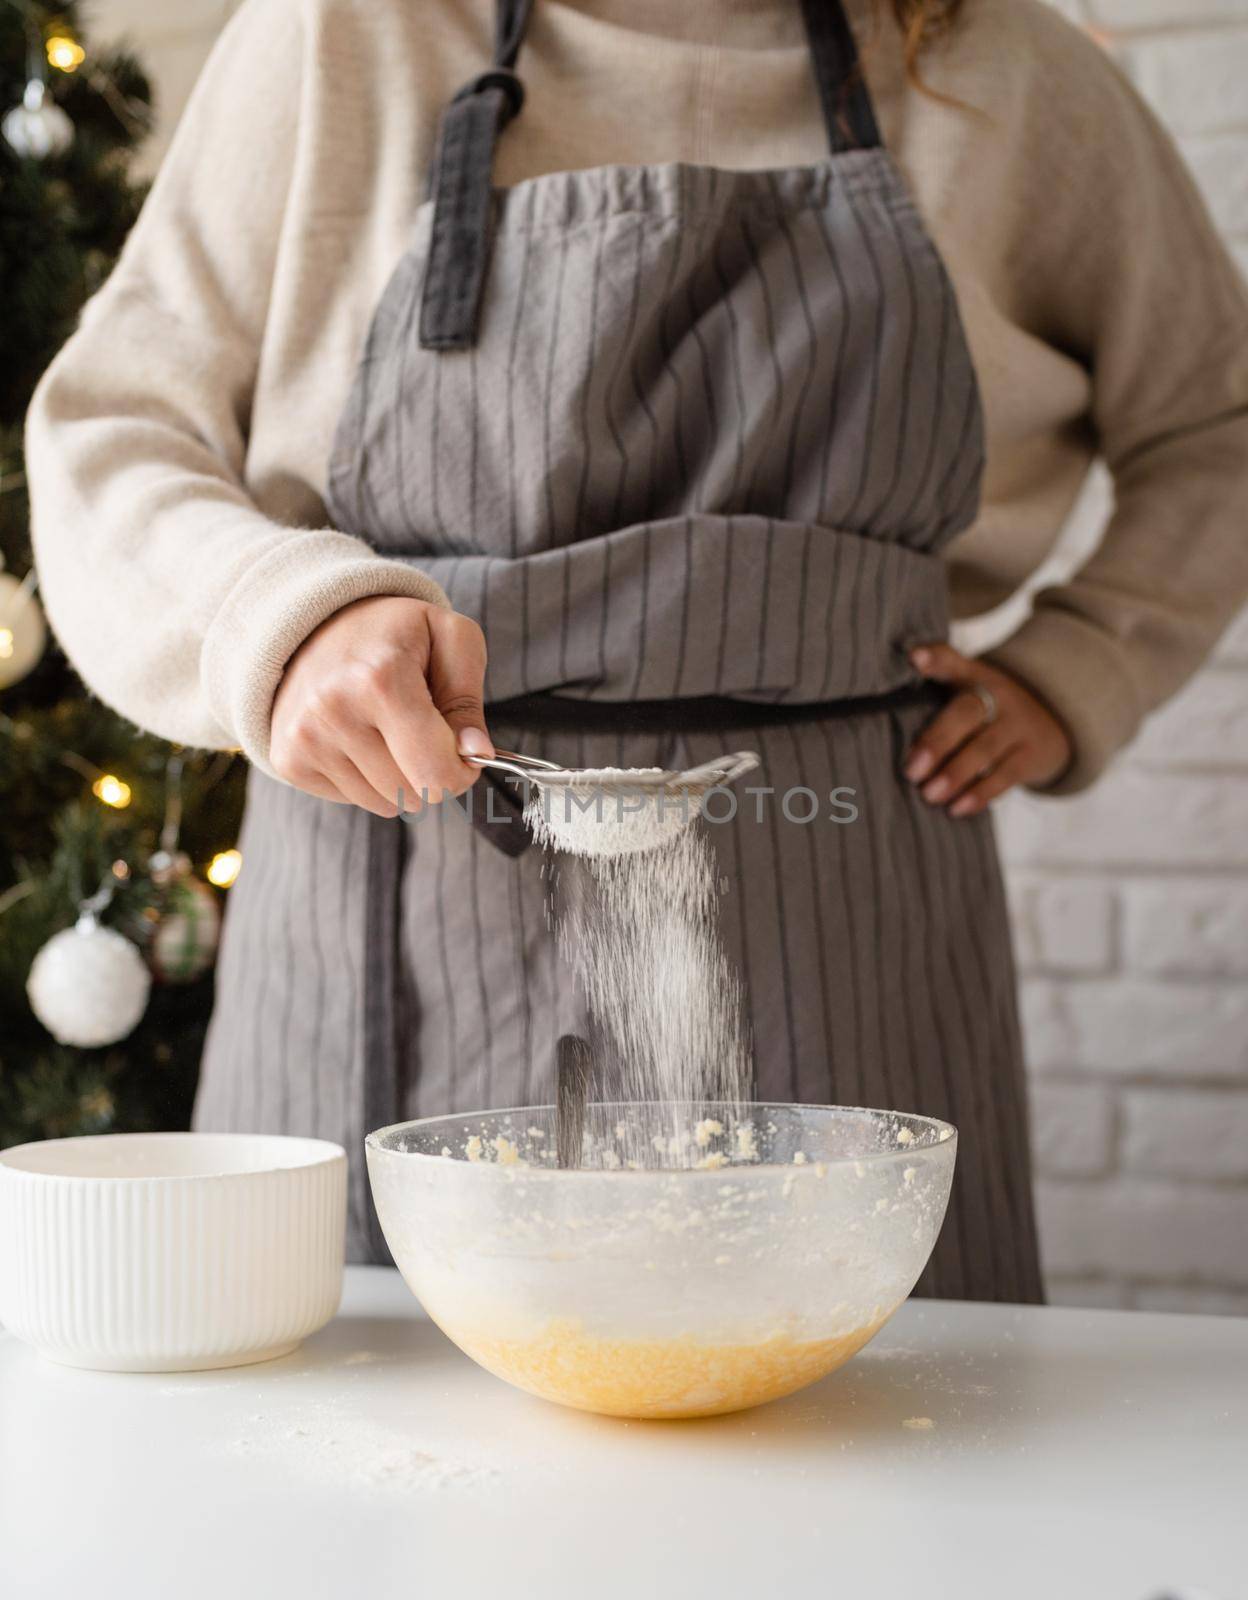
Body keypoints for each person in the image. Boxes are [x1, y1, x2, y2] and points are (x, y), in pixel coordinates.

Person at [25, 0, 1248, 1293]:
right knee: (374, 1452)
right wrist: (286, 617)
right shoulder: (351, 32)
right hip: (388, 897)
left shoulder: (991, 67)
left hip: (842, 930)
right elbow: (107, 435)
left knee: (863, 1433)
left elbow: (1214, 424)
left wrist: (1089, 663)